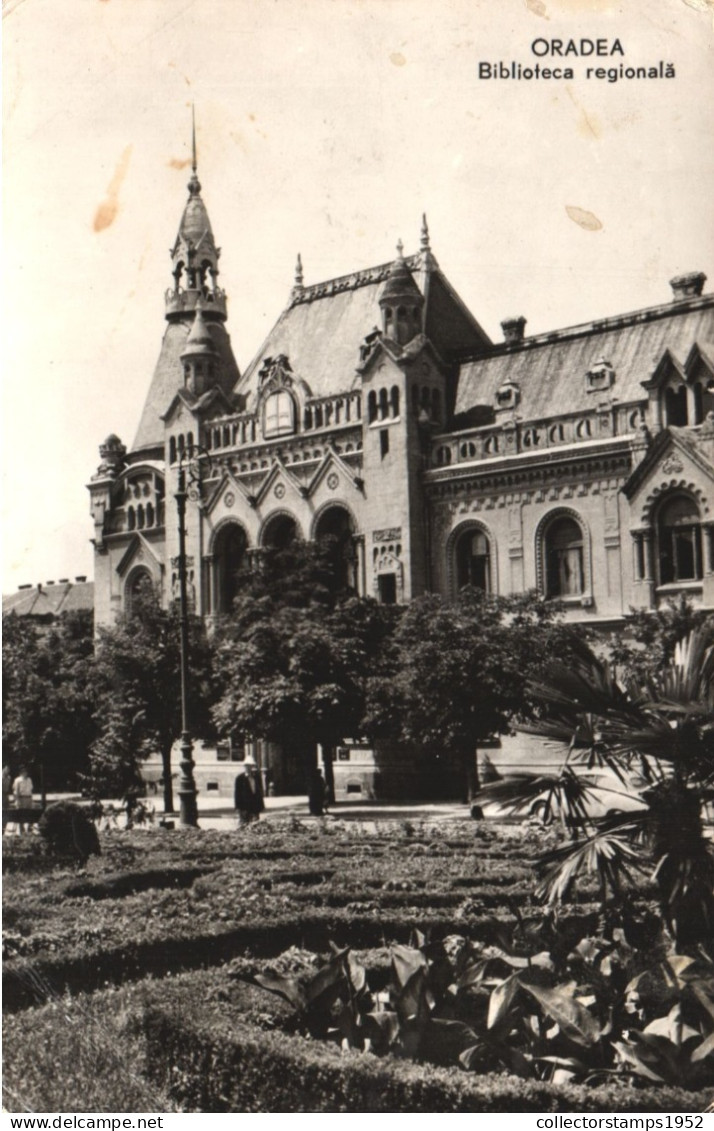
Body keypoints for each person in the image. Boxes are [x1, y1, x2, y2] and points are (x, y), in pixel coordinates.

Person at [234, 758, 265, 827]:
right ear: (244, 766)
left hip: (255, 806)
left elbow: (259, 792)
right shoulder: (240, 778)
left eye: (250, 766)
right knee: (244, 825)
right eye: (246, 766)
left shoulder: (256, 777)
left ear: (252, 766)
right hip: (244, 807)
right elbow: (237, 794)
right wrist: (238, 807)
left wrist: (261, 805)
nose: (248, 768)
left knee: (255, 826)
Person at [12, 766, 34, 834]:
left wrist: (31, 799)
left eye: (26, 772)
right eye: (23, 772)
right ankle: (22, 829)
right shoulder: (17, 780)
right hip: (21, 798)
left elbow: (31, 789)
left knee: (29, 813)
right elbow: (16, 790)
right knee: (21, 813)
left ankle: (29, 829)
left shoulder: (29, 779)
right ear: (21, 773)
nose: (25, 773)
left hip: (28, 798)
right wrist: (17, 800)